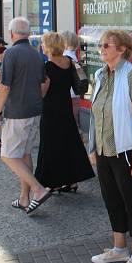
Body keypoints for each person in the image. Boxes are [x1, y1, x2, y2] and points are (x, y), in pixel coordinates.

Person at [88, 30, 132, 263]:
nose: (101, 49)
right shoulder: (101, 75)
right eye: (101, 45)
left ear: (122, 49)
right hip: (105, 150)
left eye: (107, 45)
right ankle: (119, 248)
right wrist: (92, 147)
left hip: (127, 150)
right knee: (112, 200)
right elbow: (97, 113)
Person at [0, 17, 52, 215]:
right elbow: (44, 82)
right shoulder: (36, 53)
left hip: (17, 112)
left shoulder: (11, 53)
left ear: (11, 34)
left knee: (8, 155)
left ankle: (38, 189)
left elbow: (5, 85)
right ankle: (24, 198)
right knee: (24, 154)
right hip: (34, 110)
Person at [34, 31, 95, 192]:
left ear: (48, 46)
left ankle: (52, 181)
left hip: (51, 111)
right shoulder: (69, 62)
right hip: (66, 107)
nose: (41, 46)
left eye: (43, 43)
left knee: (51, 145)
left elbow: (42, 92)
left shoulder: (47, 67)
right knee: (69, 143)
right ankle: (72, 181)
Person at [61, 31, 84, 130]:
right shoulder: (74, 56)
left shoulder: (64, 57)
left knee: (69, 125)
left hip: (68, 95)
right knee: (74, 123)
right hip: (75, 93)